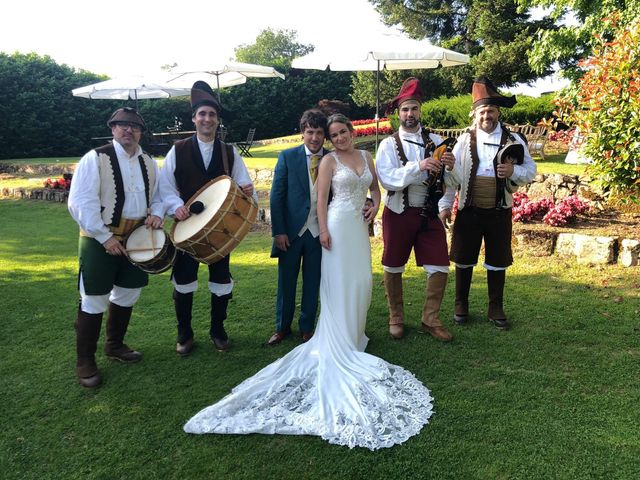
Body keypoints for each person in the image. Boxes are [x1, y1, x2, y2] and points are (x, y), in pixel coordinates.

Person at [183, 114, 434, 450]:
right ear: (322, 137)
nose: (338, 137)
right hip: (331, 226)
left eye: (342, 131)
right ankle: (314, 333)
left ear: (350, 132)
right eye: (332, 133)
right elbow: (315, 198)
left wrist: (373, 204)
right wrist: (316, 230)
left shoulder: (365, 157)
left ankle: (352, 332)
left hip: (356, 229)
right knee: (322, 282)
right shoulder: (324, 161)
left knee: (358, 280)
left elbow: (375, 186)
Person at [68, 107, 164, 388]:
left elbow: (157, 196)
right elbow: (80, 202)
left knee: (129, 291)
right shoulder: (96, 158)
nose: (127, 130)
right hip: (99, 239)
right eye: (121, 125)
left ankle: (115, 345)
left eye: (133, 127)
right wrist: (104, 237)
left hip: (136, 238)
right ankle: (85, 360)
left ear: (140, 132)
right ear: (112, 129)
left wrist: (157, 213)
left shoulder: (148, 161)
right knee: (94, 297)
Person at [159, 81, 256, 354]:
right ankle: (184, 333)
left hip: (219, 230)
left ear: (217, 120)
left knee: (221, 281)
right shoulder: (177, 150)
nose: (207, 119)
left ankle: (218, 330)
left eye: (212, 115)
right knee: (184, 279)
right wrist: (175, 206)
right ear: (194, 118)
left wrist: (247, 190)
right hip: (187, 228)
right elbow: (165, 187)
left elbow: (244, 185)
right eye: (202, 114)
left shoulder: (229, 152)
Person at [439, 77, 537, 329]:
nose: (487, 116)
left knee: (498, 258)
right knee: (463, 257)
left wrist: (512, 172)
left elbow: (530, 171)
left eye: (491, 111)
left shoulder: (514, 140)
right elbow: (453, 178)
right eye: (482, 111)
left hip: (499, 209)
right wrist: (445, 205)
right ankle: (461, 302)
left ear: (498, 112)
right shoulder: (463, 140)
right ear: (475, 113)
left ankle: (495, 306)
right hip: (469, 209)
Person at [375, 77, 456, 342]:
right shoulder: (388, 144)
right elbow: (387, 179)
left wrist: (451, 164)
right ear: (398, 114)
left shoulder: (436, 139)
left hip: (429, 212)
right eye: (405, 109)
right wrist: (418, 167)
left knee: (440, 265)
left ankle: (430, 319)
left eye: (414, 108)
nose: (410, 114)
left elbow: (451, 180)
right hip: (398, 212)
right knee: (394, 264)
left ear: (420, 110)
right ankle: (396, 315)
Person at [267, 109, 329, 346]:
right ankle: (282, 327)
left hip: (317, 233)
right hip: (291, 233)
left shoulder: (331, 159)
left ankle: (307, 327)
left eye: (319, 133)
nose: (314, 138)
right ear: (303, 133)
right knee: (287, 282)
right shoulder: (287, 157)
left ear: (324, 136)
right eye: (310, 132)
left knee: (313, 282)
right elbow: (276, 196)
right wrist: (279, 231)